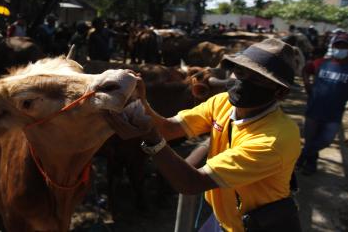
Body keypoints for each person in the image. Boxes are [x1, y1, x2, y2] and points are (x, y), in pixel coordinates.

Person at [106, 38, 302, 231]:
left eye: (258, 78)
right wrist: (139, 102)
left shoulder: (275, 140)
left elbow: (191, 183)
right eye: (240, 71)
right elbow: (170, 129)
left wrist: (152, 139)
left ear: (280, 93)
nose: (243, 81)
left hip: (250, 226)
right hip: (222, 216)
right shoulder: (222, 102)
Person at [299, 32, 348, 175]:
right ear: (333, 46)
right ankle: (310, 165)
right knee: (310, 139)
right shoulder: (321, 63)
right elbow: (306, 70)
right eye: (338, 45)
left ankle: (302, 155)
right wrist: (307, 84)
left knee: (325, 140)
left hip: (333, 114)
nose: (341, 48)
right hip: (314, 110)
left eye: (344, 46)